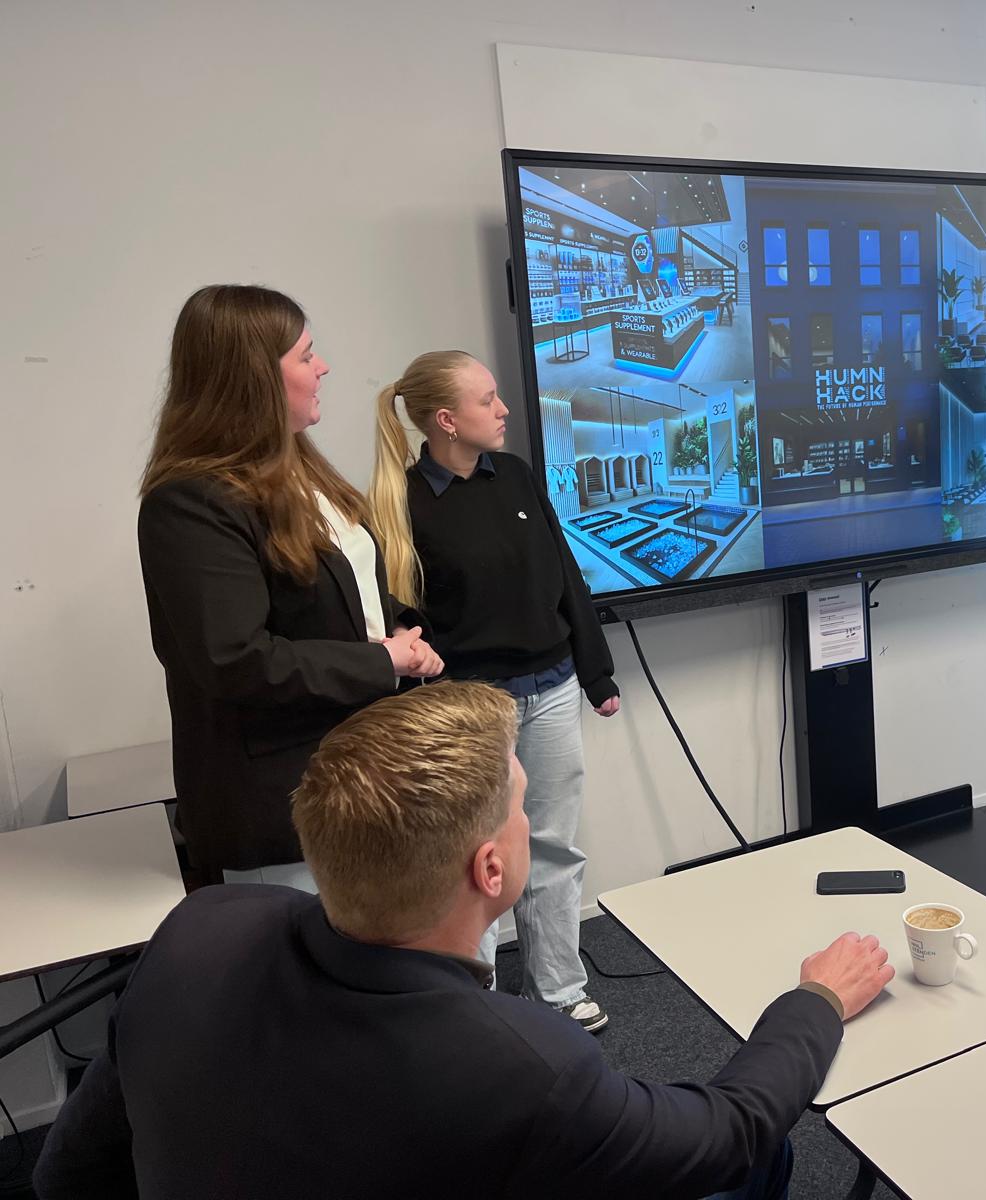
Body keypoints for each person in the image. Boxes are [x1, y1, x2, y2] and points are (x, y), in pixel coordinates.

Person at [32, 683, 894, 1200]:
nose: (531, 821)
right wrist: (816, 998)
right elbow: (729, 1130)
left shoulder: (196, 933)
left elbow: (65, 1180)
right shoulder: (525, 1068)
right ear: (490, 869)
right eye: (522, 806)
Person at [137, 285, 443, 885]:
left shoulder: (304, 471)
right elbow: (235, 659)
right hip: (284, 804)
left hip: (363, 773)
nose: (322, 366)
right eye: (305, 355)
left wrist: (405, 625)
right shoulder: (191, 504)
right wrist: (383, 660)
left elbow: (342, 595)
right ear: (252, 377)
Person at [369, 351, 619, 1032]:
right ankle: (471, 1006)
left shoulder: (514, 476)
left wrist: (597, 674)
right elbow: (398, 622)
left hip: (554, 686)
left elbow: (564, 573)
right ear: (447, 421)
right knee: (469, 858)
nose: (504, 409)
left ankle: (561, 990)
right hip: (469, 708)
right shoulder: (401, 502)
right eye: (488, 400)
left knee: (553, 846)